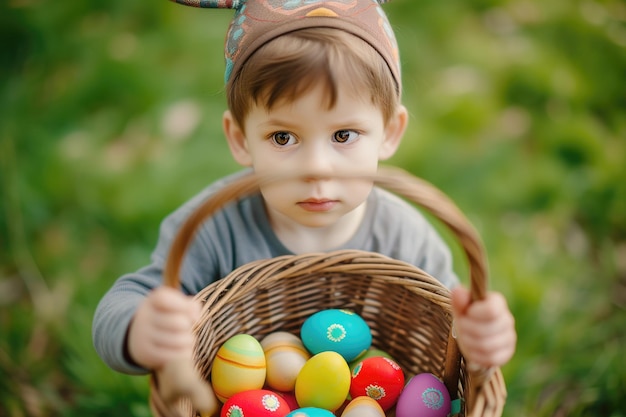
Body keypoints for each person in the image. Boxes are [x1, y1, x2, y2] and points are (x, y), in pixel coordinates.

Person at [93, 0, 516, 381]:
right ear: (240, 139)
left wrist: (479, 344)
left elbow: (448, 334)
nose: (317, 167)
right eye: (282, 138)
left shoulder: (404, 237)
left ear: (390, 133)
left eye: (344, 134)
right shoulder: (211, 229)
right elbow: (125, 302)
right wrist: (138, 330)